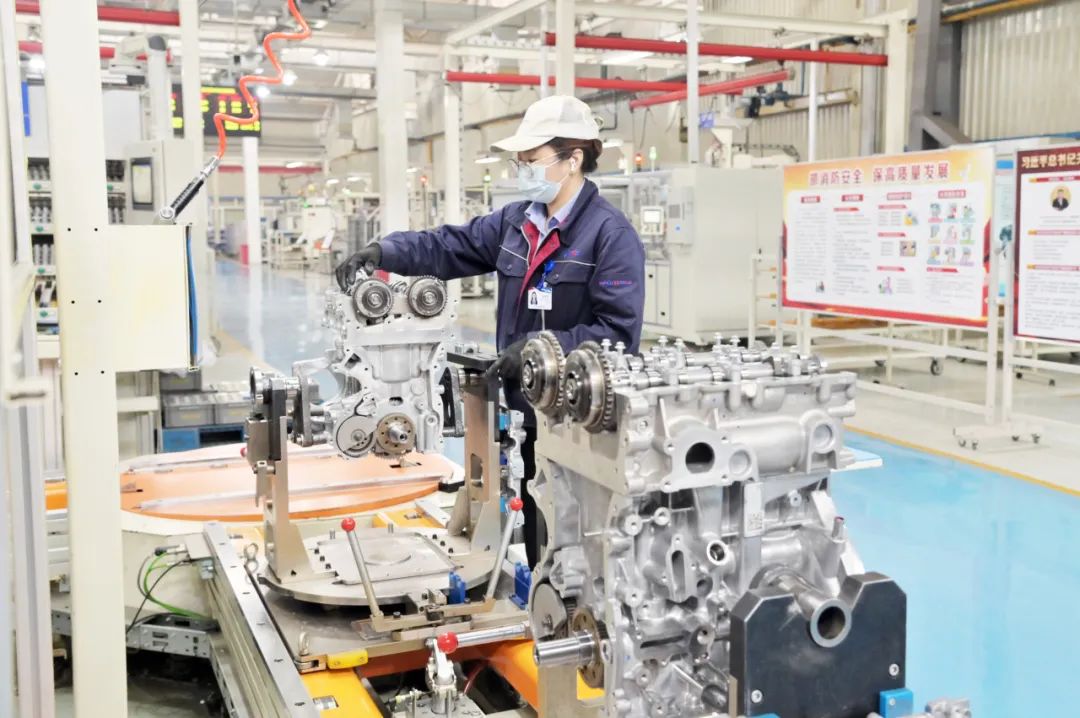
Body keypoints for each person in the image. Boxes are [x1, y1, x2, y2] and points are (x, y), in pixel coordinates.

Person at [335, 95, 646, 568]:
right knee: (533, 515)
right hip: (523, 408)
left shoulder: (610, 235)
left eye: (532, 159)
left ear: (573, 159)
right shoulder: (516, 222)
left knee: (572, 532)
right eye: (520, 161)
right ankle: (539, 590)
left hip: (576, 418)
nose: (523, 170)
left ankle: (566, 601)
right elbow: (449, 246)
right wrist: (385, 252)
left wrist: (543, 349)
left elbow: (618, 336)